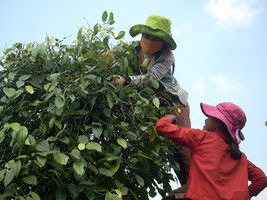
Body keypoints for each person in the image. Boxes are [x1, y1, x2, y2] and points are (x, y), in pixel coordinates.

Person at [111, 14, 192, 187]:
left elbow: (151, 79)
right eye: (146, 36)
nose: (149, 41)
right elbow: (108, 59)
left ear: (163, 42)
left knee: (183, 146)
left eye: (155, 39)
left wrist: (125, 80)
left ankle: (194, 186)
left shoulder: (167, 57)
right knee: (167, 147)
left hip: (174, 103)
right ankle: (186, 187)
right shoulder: (128, 48)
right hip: (152, 105)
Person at [156, 101, 267, 199]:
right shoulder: (240, 158)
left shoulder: (202, 137)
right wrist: (244, 196)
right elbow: (262, 179)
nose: (206, 119)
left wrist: (171, 117)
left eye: (210, 116)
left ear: (219, 123)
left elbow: (162, 127)